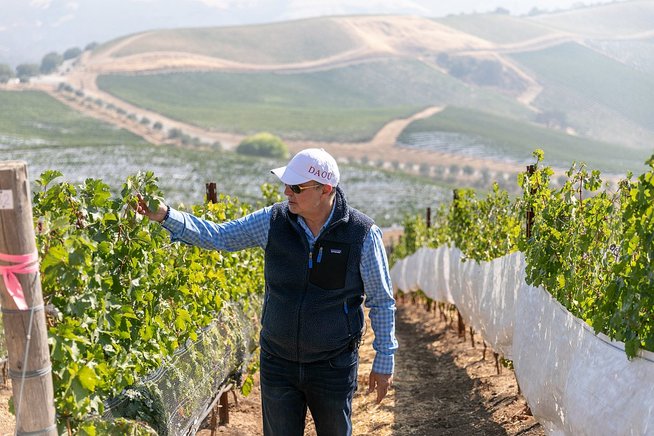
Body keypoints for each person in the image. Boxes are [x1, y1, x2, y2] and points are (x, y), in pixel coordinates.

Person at [136, 148, 398, 436]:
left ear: (325, 189)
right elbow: (219, 236)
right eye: (286, 184)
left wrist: (384, 359)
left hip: (333, 365)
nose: (287, 192)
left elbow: (382, 302)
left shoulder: (361, 234)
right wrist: (165, 215)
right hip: (278, 363)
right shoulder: (272, 221)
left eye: (296, 187)